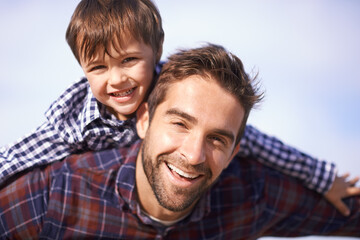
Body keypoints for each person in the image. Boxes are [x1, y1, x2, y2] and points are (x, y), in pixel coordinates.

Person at [0, 0, 356, 216]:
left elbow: (253, 142)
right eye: (98, 68)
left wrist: (320, 177)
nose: (116, 79)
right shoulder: (77, 119)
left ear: (156, 52)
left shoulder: (176, 90)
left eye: (128, 60)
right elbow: (24, 153)